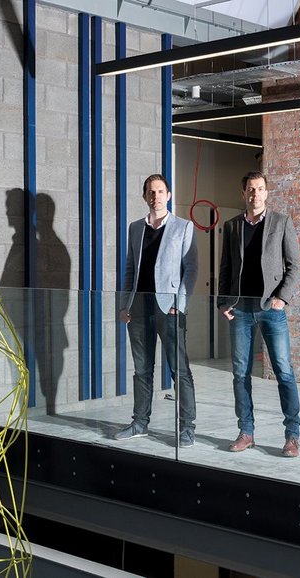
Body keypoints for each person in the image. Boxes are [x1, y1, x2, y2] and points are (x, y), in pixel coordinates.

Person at [218, 171, 300, 457]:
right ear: (243, 193)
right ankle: (246, 432)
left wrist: (282, 298)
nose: (255, 194)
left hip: (271, 309)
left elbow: (295, 266)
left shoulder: (281, 222)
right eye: (251, 189)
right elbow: (225, 268)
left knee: (284, 371)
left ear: (267, 192)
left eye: (260, 189)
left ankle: (292, 436)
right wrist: (222, 302)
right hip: (240, 309)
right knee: (240, 373)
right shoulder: (232, 227)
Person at [116, 174, 198, 448]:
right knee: (141, 370)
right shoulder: (135, 228)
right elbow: (130, 269)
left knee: (180, 371)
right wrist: (124, 304)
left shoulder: (183, 227)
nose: (156, 196)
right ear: (145, 197)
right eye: (151, 192)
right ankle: (140, 423)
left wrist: (181, 302)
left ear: (169, 195)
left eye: (161, 191)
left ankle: (187, 428)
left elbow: (191, 269)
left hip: (171, 308)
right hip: (138, 307)